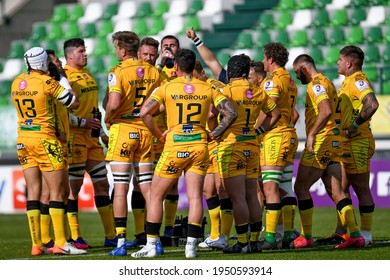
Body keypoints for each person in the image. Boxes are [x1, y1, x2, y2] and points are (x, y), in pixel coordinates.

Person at [131, 48, 238, 258]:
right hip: (199, 146)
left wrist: (160, 134)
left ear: (176, 67)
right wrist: (213, 134)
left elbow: (144, 112)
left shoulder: (167, 87)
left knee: (156, 195)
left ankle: (151, 245)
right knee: (195, 196)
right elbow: (231, 112)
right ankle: (191, 246)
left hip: (174, 146)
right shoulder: (207, 88)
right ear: (194, 65)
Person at [11, 46, 85, 255]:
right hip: (45, 140)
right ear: (43, 63)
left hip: (23, 140)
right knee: (58, 191)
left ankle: (37, 244)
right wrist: (64, 83)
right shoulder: (47, 82)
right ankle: (61, 242)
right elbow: (73, 102)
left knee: (34, 192)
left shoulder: (17, 82)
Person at [291, 54, 365, 249]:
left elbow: (326, 110)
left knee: (300, 187)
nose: (297, 76)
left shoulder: (316, 85)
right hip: (334, 141)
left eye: (297, 72)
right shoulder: (327, 82)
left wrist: (312, 134)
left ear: (304, 69)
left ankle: (306, 236)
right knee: (336, 191)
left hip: (322, 140)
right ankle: (355, 234)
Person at [215, 54, 281, 254]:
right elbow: (276, 114)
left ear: (231, 70)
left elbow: (213, 114)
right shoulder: (258, 92)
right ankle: (254, 242)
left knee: (237, 198)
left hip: (231, 146)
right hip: (252, 146)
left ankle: (243, 243)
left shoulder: (225, 91)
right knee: (252, 195)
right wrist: (259, 131)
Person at [104, 31, 161, 256]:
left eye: (116, 47)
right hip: (145, 131)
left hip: (124, 129)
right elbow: (159, 104)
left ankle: (120, 242)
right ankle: (153, 240)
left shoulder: (117, 72)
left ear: (122, 49)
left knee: (120, 188)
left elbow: (115, 103)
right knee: (148, 188)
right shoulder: (153, 71)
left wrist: (107, 117)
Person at [317, 46, 379, 246]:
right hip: (347, 143)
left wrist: (353, 126)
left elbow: (372, 104)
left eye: (340, 59)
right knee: (342, 188)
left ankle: (366, 235)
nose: (337, 62)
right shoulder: (347, 82)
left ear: (349, 63)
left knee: (361, 187)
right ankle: (342, 232)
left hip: (358, 141)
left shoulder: (358, 81)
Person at [63, 38, 117, 249]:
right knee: (73, 190)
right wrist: (83, 123)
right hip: (75, 138)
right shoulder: (65, 78)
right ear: (70, 56)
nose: (85, 54)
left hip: (93, 140)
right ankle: (76, 237)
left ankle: (111, 235)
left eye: (85, 50)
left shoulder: (88, 75)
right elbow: (62, 112)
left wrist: (101, 131)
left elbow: (94, 109)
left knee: (102, 185)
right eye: (81, 51)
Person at [259, 42, 299, 250]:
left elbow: (268, 110)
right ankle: (287, 236)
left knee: (270, 187)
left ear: (271, 59)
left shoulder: (272, 81)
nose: (263, 61)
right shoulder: (290, 80)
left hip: (275, 137)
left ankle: (270, 237)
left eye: (265, 58)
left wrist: (255, 131)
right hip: (290, 135)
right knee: (285, 187)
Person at [192, 60, 232, 250]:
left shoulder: (214, 87)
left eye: (194, 75)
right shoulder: (193, 87)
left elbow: (229, 112)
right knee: (208, 190)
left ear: (201, 73)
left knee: (222, 189)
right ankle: (216, 234)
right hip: (203, 145)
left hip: (217, 142)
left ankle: (225, 234)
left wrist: (214, 128)